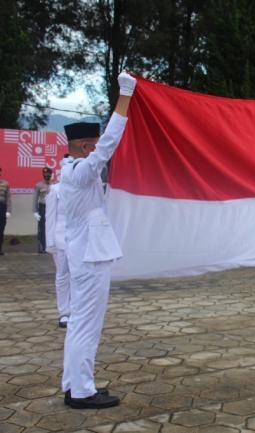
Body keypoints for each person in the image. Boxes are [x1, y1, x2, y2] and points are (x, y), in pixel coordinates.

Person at [59, 71, 136, 409]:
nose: (99, 146)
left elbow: (103, 149)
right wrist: (126, 98)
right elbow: (107, 148)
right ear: (87, 146)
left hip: (89, 256)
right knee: (86, 327)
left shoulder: (73, 173)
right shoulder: (78, 172)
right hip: (90, 259)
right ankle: (81, 391)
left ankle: (75, 384)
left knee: (80, 324)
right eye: (95, 143)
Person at [46, 156, 74, 328]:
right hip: (60, 239)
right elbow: (50, 218)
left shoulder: (80, 189)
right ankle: (64, 312)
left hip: (78, 239)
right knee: (62, 276)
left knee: (78, 276)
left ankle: (76, 310)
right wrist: (50, 243)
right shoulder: (55, 190)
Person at [34, 167, 53, 253]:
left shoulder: (53, 186)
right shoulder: (39, 185)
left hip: (51, 208)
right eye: (45, 175)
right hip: (42, 207)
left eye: (48, 175)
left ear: (51, 175)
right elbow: (35, 199)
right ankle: (42, 247)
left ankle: (49, 246)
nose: (47, 176)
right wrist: (35, 212)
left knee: (50, 227)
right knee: (42, 228)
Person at [0, 167, 11, 256]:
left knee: (1, 229)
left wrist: (8, 210)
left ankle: (0, 249)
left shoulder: (5, 183)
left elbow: (8, 198)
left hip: (2, 207)